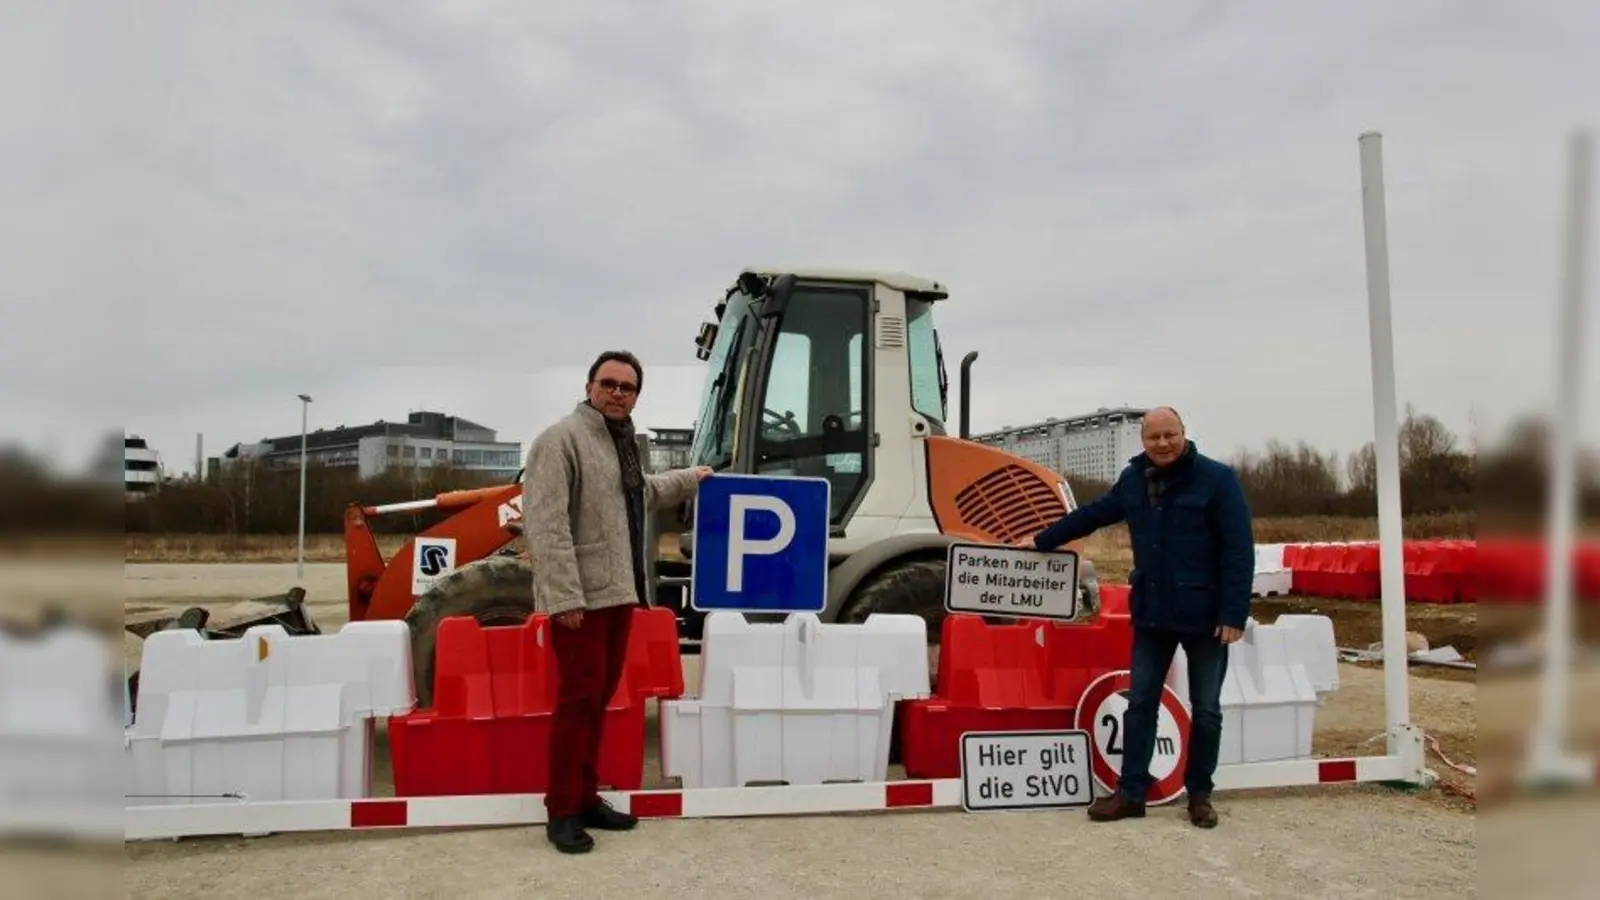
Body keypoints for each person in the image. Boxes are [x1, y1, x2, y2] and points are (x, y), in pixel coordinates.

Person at [1021, 406, 1253, 828]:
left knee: (1206, 710)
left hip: (1205, 616)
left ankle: (1200, 795)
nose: (1163, 444)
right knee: (1140, 704)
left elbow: (1238, 550)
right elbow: (1092, 515)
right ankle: (1131, 794)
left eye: (1170, 435)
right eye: (1154, 437)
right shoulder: (1134, 480)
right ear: (1143, 441)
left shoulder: (1218, 480)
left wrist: (1233, 613)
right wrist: (1041, 540)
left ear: (1183, 433)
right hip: (1153, 614)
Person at [522, 349, 713, 854]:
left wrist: (691, 478)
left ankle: (586, 798)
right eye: (608, 384)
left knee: (597, 701)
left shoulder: (619, 444)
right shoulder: (560, 440)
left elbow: (642, 492)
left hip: (617, 594)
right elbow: (546, 525)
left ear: (636, 397)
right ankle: (563, 810)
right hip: (581, 601)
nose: (617, 393)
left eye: (627, 388)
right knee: (576, 703)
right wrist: (565, 598)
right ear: (589, 387)